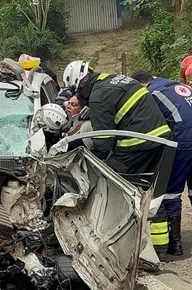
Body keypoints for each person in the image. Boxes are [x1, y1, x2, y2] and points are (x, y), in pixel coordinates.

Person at [63, 60, 172, 257]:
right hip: (159, 139)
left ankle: (117, 243)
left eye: (76, 91)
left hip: (137, 143)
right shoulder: (112, 79)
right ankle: (162, 247)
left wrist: (93, 161)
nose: (77, 97)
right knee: (149, 192)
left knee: (110, 185)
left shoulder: (97, 97)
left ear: (80, 84)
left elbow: (104, 142)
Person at [132, 71, 192, 254]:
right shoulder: (177, 85)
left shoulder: (150, 94)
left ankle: (175, 244)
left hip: (184, 137)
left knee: (172, 190)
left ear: (141, 85)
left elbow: (154, 126)